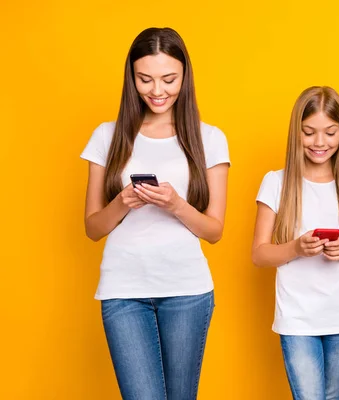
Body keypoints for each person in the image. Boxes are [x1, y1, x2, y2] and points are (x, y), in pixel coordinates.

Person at [81, 27, 229, 400]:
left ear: (185, 77)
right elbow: (92, 228)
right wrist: (123, 202)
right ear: (131, 78)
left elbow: (214, 231)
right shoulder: (107, 136)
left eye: (168, 79)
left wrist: (176, 205)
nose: (157, 90)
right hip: (124, 291)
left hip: (187, 292)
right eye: (145, 79)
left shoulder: (209, 138)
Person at [252, 86, 339, 400]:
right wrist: (296, 248)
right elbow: (259, 254)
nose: (320, 142)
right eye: (309, 132)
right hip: (297, 317)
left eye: (330, 133)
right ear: (297, 132)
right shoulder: (275, 182)